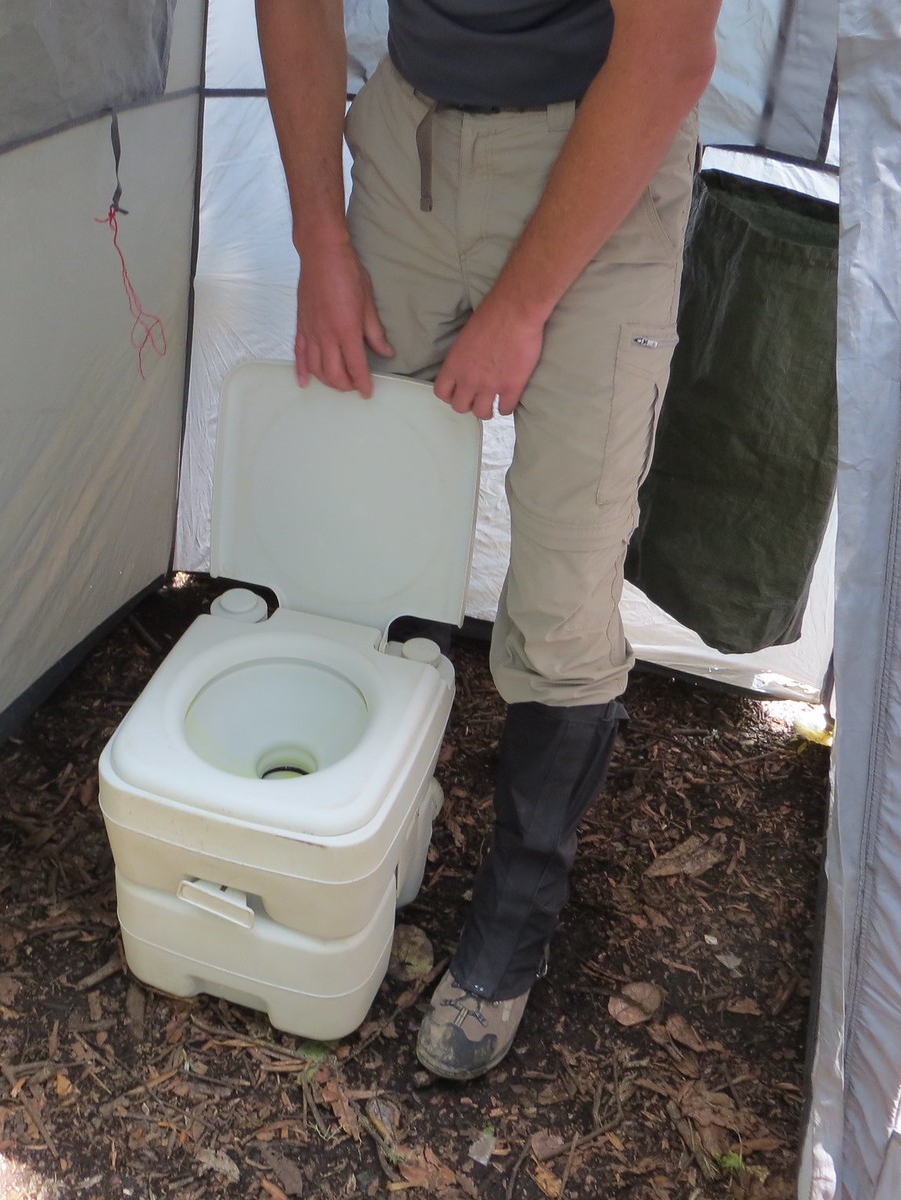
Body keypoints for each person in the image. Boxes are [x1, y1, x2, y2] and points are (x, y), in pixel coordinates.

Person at [254, 0, 722, 1080]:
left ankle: (510, 925)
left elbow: (668, 56)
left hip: (599, 155)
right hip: (409, 141)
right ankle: (364, 830)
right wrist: (319, 239)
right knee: (358, 513)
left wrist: (520, 307)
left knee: (564, 579)